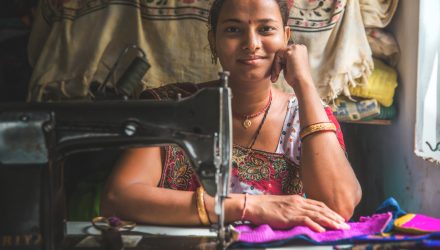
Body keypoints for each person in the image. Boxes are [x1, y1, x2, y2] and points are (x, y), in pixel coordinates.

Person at [101, 0, 362, 233]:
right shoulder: (171, 106)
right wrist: (247, 205)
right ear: (213, 41)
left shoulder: (305, 115)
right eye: (233, 30)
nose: (251, 44)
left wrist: (304, 82)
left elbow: (339, 207)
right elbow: (117, 198)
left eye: (266, 29)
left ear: (286, 38)